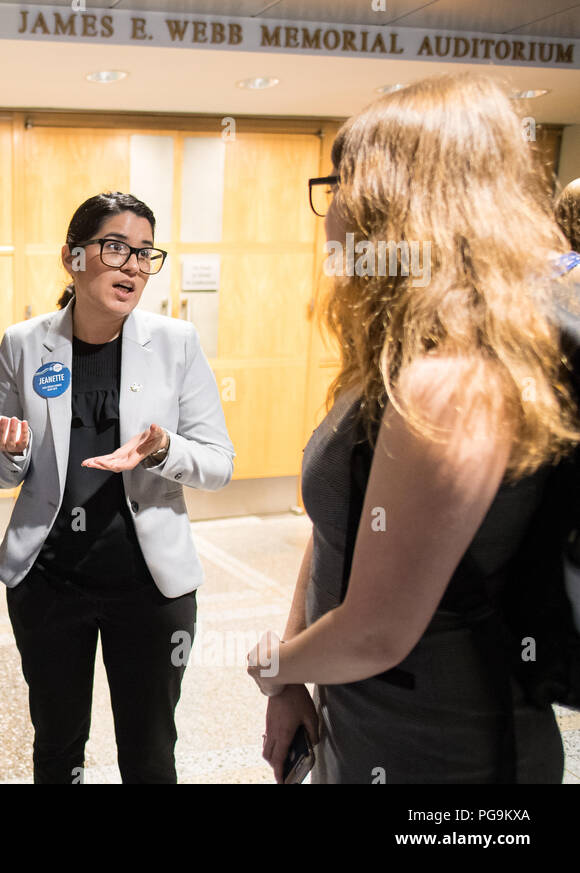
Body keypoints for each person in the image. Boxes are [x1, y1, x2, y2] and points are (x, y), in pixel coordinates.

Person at [249, 72, 580, 783]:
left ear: (391, 201)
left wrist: (270, 664)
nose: (330, 210)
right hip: (366, 726)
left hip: (449, 754)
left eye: (338, 185)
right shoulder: (406, 352)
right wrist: (295, 666)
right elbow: (340, 525)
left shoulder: (453, 380)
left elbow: (375, 631)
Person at [0, 192, 234, 783]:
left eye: (145, 253)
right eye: (115, 247)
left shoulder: (176, 343)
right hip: (49, 581)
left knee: (149, 752)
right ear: (73, 257)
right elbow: (1, 473)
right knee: (58, 746)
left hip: (150, 588)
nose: (134, 267)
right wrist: (9, 452)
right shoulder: (23, 343)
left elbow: (219, 463)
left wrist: (163, 449)